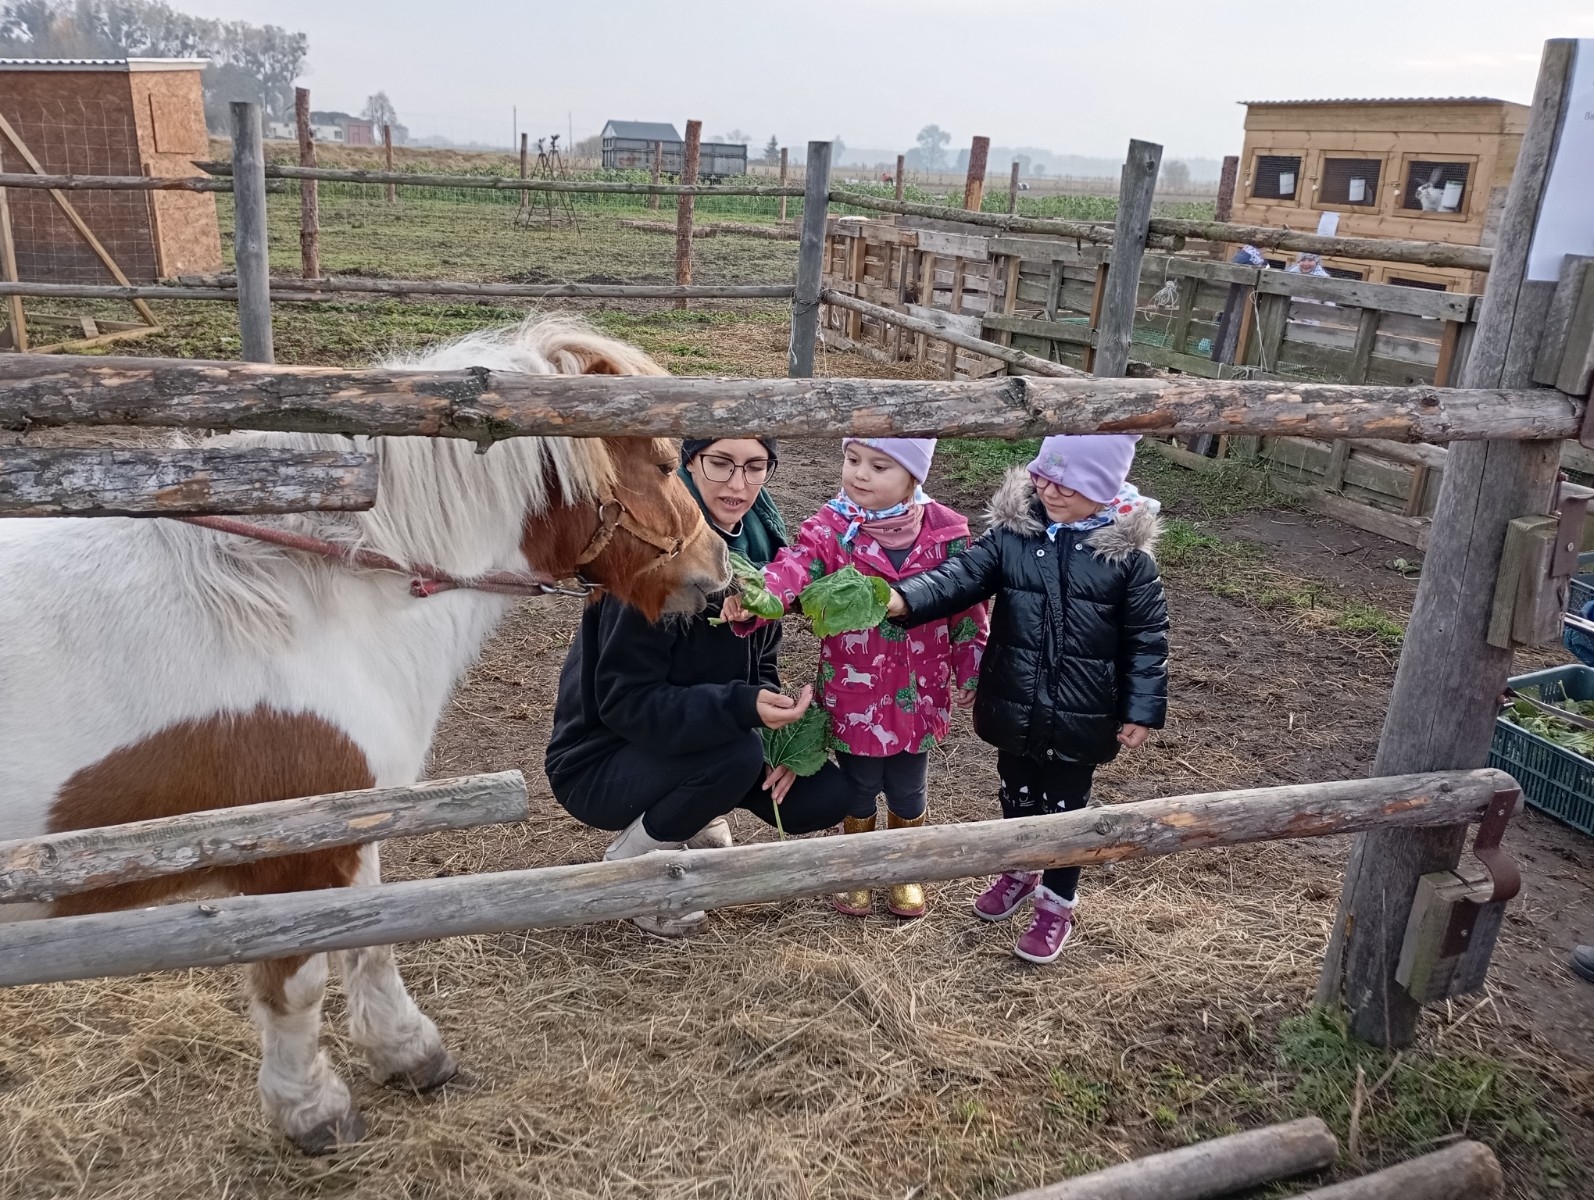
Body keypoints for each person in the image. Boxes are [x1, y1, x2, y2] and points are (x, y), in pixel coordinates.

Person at [545, 436, 853, 937]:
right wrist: (741, 708)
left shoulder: (763, 555)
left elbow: (761, 662)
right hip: (602, 759)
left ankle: (694, 813)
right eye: (720, 463)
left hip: (699, 738)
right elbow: (626, 703)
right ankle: (637, 872)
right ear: (688, 462)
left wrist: (775, 733)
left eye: (755, 466)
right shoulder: (656, 554)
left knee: (823, 797)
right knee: (736, 755)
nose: (738, 483)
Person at [882, 434, 1169, 964]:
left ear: (1103, 488)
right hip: (1015, 696)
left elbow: (1147, 640)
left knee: (1065, 809)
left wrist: (1141, 708)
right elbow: (961, 576)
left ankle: (1056, 904)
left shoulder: (1127, 559)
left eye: (1067, 484)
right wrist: (905, 598)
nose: (1049, 491)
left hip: (1085, 709)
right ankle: (1019, 867)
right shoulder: (1014, 535)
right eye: (1043, 477)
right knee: (1014, 791)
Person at [724, 438, 988, 918]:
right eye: (852, 460)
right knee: (859, 784)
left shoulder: (947, 533)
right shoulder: (831, 529)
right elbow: (794, 569)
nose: (860, 473)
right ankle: (857, 869)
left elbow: (966, 604)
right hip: (855, 690)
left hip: (919, 692)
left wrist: (971, 663)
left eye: (879, 465)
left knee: (909, 786)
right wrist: (760, 598)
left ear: (914, 476)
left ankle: (904, 869)